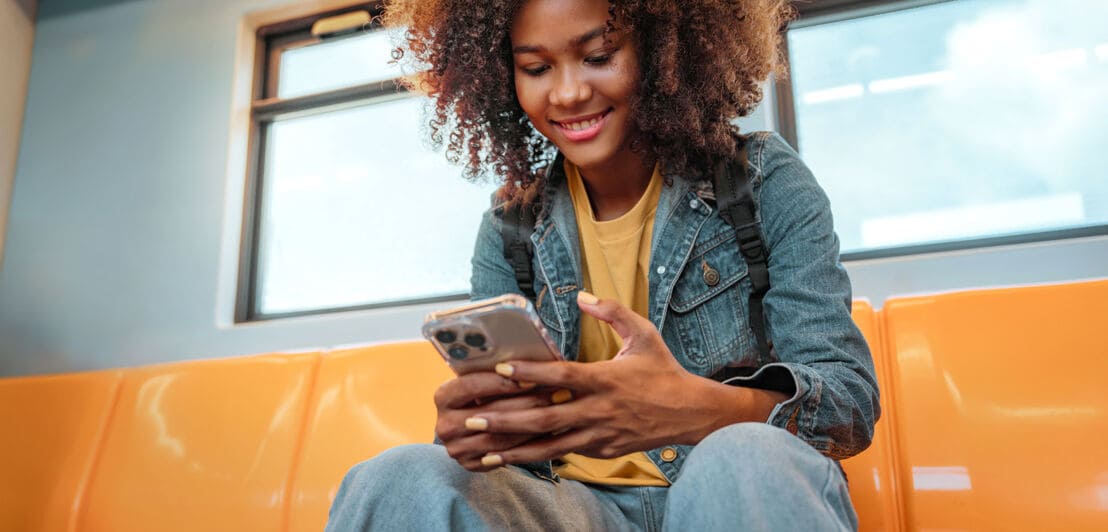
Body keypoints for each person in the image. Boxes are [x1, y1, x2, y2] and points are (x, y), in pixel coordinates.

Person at [327, 0, 880, 529]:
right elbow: (506, 442)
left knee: (743, 458)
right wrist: (480, 432)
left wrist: (689, 408)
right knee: (397, 478)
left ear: (667, 50)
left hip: (729, 494)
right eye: (537, 67)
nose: (567, 93)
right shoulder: (509, 229)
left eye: (598, 56)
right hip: (572, 509)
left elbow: (847, 405)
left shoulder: (761, 181)